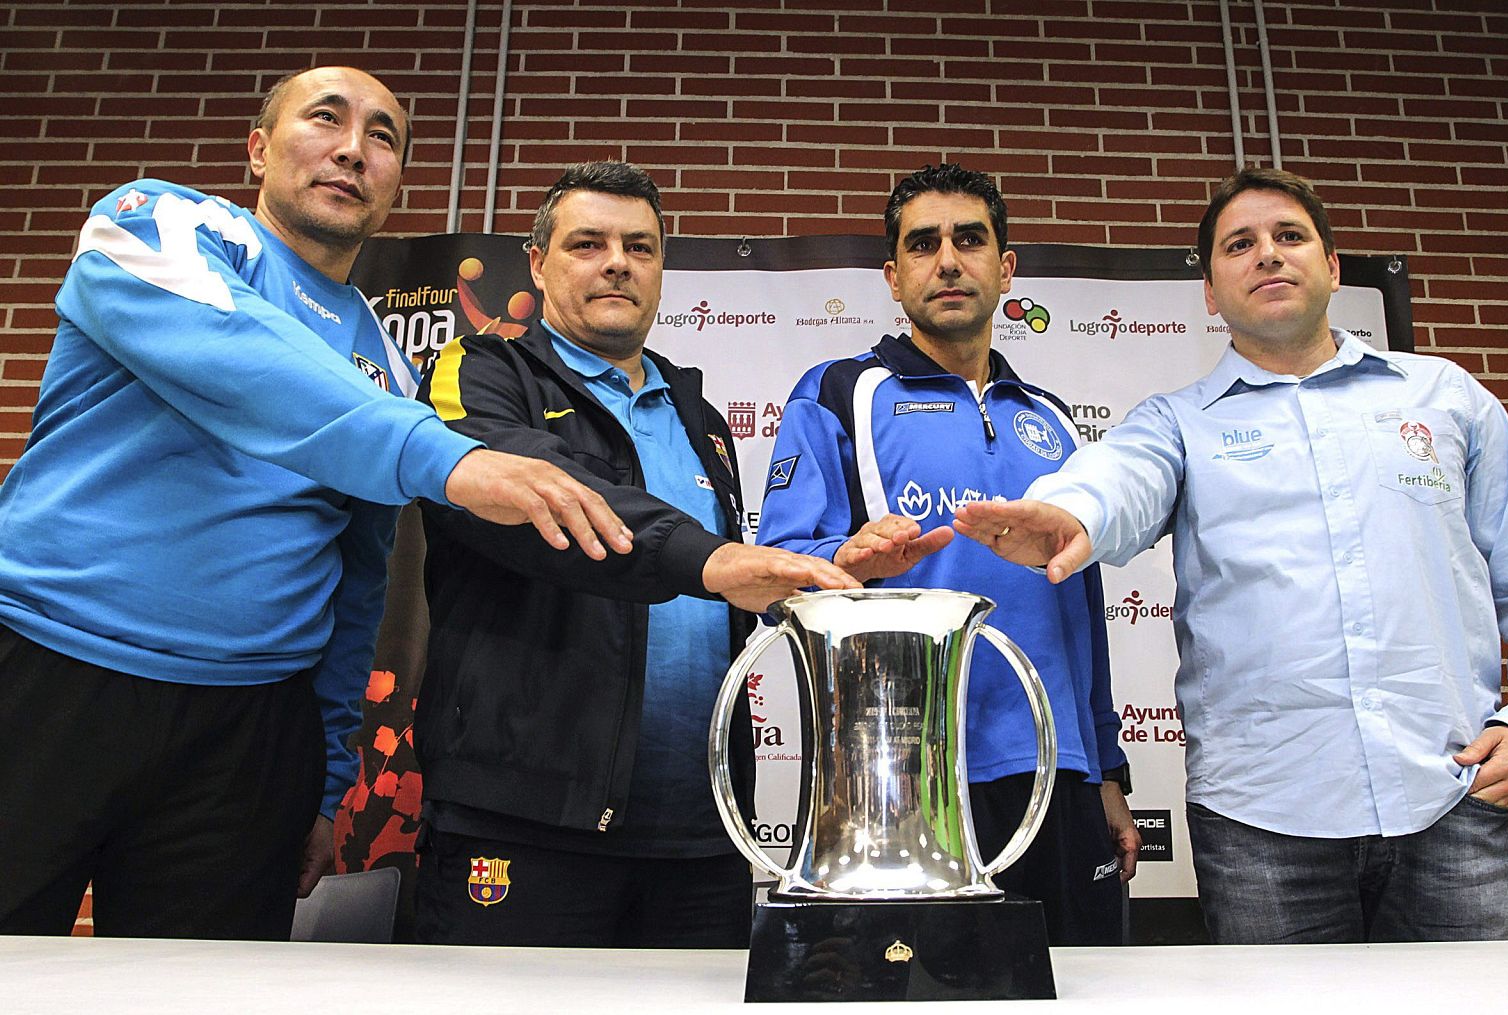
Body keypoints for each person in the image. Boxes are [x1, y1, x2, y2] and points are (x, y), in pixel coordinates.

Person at [0, 67, 633, 941]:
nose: (351, 149)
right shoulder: (158, 221)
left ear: (394, 182)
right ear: (259, 148)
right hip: (47, 669)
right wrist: (445, 459)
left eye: (382, 137)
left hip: (251, 730)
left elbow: (359, 581)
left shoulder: (385, 359)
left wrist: (330, 782)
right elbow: (235, 352)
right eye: (326, 120)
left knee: (207, 997)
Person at [956, 167, 1508, 944]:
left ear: (1331, 268)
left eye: (1289, 236)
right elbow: (1118, 477)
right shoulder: (1179, 423)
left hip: (1452, 803)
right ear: (1210, 291)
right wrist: (1069, 514)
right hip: (1261, 828)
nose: (1268, 254)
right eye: (1240, 245)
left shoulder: (1443, 397)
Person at [411, 161, 858, 948]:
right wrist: (714, 562)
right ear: (539, 262)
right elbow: (543, 493)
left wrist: (832, 574)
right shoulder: (479, 371)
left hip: (704, 828)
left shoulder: (703, 418)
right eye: (589, 242)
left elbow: (721, 607)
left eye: (641, 247)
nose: (618, 261)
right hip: (526, 818)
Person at [755, 163, 1139, 946]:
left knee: (1080, 992)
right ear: (893, 278)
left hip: (1057, 771)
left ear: (1006, 267)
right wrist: (849, 557)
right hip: (903, 782)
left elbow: (1082, 609)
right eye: (923, 244)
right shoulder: (838, 394)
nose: (949, 260)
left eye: (970, 239)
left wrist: (1108, 772)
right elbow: (777, 574)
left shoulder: (1054, 422)